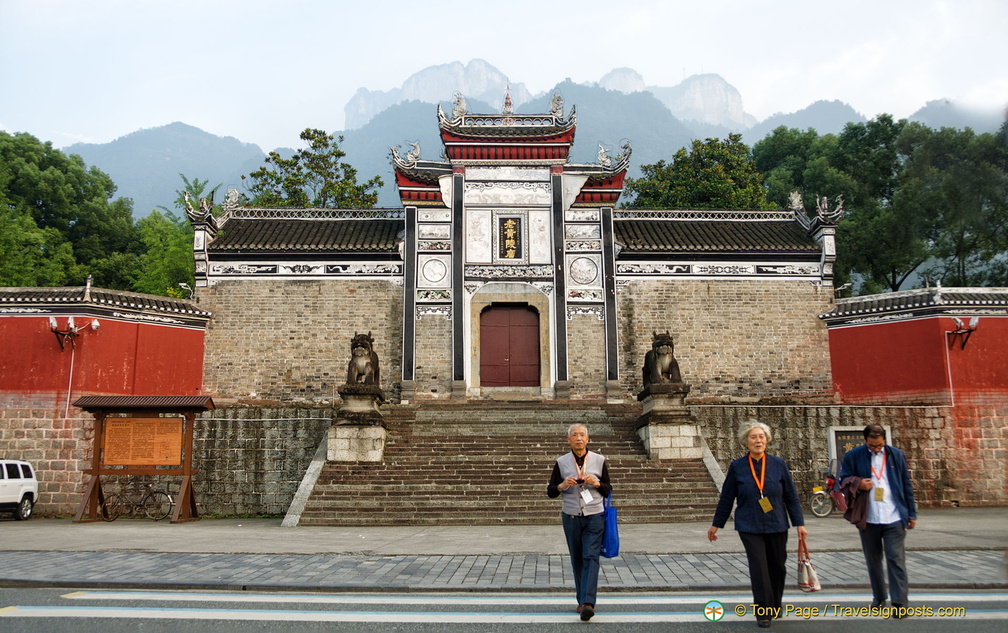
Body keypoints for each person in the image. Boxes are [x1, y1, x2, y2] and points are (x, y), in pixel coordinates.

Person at [708, 420, 807, 628]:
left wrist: (799, 523)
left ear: (767, 440)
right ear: (746, 442)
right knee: (759, 568)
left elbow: (791, 496)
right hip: (749, 524)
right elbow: (727, 497)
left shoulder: (778, 465)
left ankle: (775, 603)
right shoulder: (738, 467)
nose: (758, 440)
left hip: (777, 523)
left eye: (761, 437)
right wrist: (717, 523)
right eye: (753, 437)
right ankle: (763, 611)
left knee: (777, 567)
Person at [840, 423, 916, 616]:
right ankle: (879, 597)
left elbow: (906, 483)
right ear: (865, 441)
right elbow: (844, 480)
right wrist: (858, 484)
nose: (876, 449)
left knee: (895, 558)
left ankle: (899, 603)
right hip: (869, 517)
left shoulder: (896, 455)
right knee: (873, 560)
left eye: (880, 445)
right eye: (873, 445)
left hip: (894, 516)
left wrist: (911, 513)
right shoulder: (853, 456)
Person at [547, 423, 612, 621]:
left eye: (582, 435)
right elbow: (550, 491)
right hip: (571, 516)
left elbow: (608, 489)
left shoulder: (599, 460)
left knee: (590, 556)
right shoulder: (561, 462)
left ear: (588, 438)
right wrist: (561, 485)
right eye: (574, 435)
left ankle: (588, 603)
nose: (578, 438)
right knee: (577, 558)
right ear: (568, 439)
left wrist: (596, 483)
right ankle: (581, 599)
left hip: (595, 515)